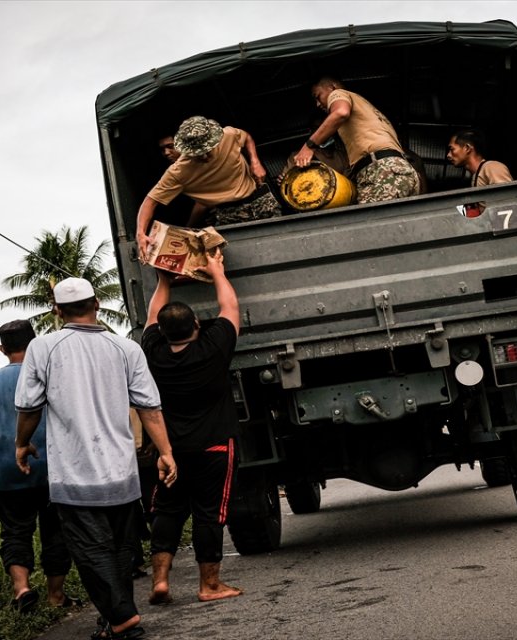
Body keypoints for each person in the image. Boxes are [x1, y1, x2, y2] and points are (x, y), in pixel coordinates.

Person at [14, 278, 178, 640]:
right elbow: (149, 406)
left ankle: (121, 617)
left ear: (56, 311)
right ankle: (114, 620)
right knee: (121, 548)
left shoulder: (43, 348)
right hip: (121, 471)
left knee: (90, 551)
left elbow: (28, 407)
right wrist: (165, 452)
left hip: (75, 474)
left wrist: (21, 444)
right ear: (98, 304)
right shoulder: (126, 348)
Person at [141, 250, 244, 604]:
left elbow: (152, 316)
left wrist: (163, 280)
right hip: (214, 447)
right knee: (208, 514)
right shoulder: (213, 349)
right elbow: (230, 308)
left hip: (170, 452)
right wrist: (216, 270)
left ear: (162, 332)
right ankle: (210, 586)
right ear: (196, 327)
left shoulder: (152, 353)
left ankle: (160, 582)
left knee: (167, 510)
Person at [0, 319, 79, 613]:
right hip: (54, 470)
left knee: (14, 532)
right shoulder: (51, 377)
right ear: (35, 343)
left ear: (1, 349)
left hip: (8, 474)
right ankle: (56, 596)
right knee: (56, 532)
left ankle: (22, 589)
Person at [136, 116, 281, 257]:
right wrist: (140, 233)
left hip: (261, 199)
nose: (204, 157)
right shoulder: (178, 172)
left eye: (207, 151)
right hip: (229, 215)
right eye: (198, 154)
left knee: (281, 247)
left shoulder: (227, 135)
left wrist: (255, 161)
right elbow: (150, 201)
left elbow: (246, 137)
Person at [293, 77, 421, 204]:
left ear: (332, 87)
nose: (318, 104)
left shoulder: (337, 94)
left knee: (369, 222)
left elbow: (341, 113)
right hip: (401, 172)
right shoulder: (370, 113)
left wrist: (309, 146)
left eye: (317, 96)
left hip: (382, 171)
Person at [446, 129, 513, 187]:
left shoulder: (491, 167)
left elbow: (508, 198)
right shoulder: (476, 177)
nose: (448, 155)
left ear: (467, 148)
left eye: (452, 149)